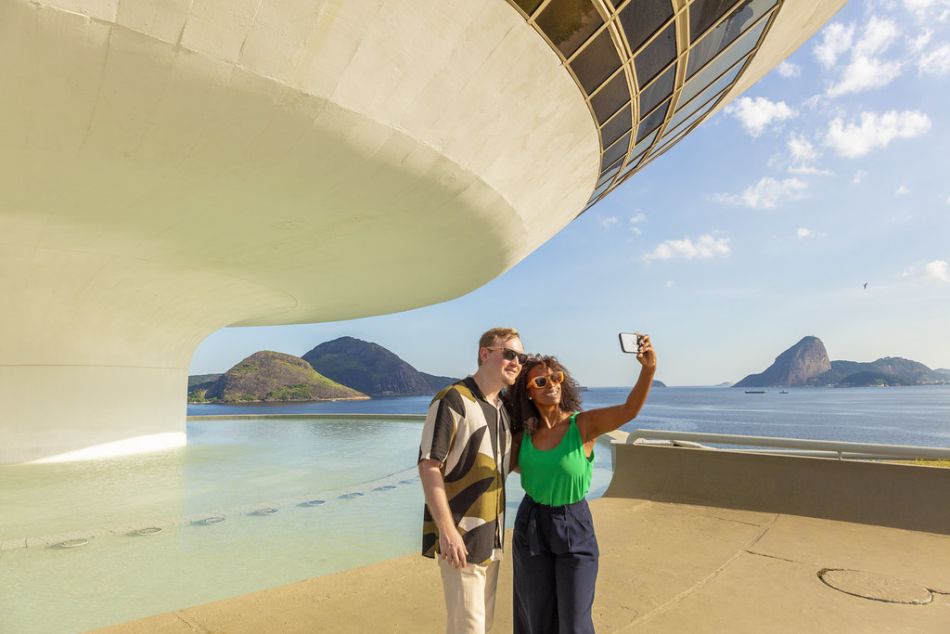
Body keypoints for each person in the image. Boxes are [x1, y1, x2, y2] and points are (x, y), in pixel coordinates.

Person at [506, 335, 656, 633]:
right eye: (541, 382)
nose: (551, 385)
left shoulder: (583, 425)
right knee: (536, 617)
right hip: (531, 525)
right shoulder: (522, 437)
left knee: (574, 622)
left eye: (556, 378)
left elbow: (629, 410)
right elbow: (493, 468)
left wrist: (648, 369)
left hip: (573, 523)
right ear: (528, 393)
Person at [418, 327, 527, 633]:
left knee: (481, 626)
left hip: (492, 540)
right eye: (509, 354)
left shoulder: (501, 410)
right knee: (469, 629)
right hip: (461, 540)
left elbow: (502, 466)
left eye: (521, 357)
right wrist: (447, 531)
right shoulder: (453, 399)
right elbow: (429, 465)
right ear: (485, 354)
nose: (516, 362)